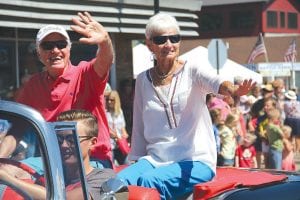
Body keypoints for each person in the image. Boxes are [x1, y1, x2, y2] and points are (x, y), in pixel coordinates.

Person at [116, 13, 255, 200]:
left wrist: (234, 89)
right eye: (161, 39)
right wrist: (135, 160)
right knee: (118, 182)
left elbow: (217, 81)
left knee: (149, 182)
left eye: (174, 38)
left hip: (195, 161)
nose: (168, 44)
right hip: (156, 159)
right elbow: (139, 123)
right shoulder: (142, 79)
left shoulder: (192, 70)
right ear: (149, 45)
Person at [2, 12, 114, 167]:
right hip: (53, 163)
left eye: (61, 45)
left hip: (93, 160)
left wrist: (105, 42)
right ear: (39, 54)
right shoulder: (34, 84)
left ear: (69, 50)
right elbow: (18, 128)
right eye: (47, 46)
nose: (55, 50)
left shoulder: (85, 73)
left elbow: (105, 61)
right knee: (9, 174)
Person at [0, 109, 117, 200]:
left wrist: (8, 179)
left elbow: (62, 198)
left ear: (93, 142)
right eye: (59, 139)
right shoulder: (49, 176)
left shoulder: (106, 178)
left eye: (72, 139)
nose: (63, 145)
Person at [106, 90, 130, 166]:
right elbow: (106, 129)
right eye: (108, 99)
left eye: (112, 100)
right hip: (110, 145)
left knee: (127, 165)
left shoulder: (119, 112)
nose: (109, 102)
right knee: (111, 168)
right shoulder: (105, 112)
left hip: (120, 145)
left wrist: (125, 135)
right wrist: (115, 136)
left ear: (116, 101)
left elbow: (123, 128)